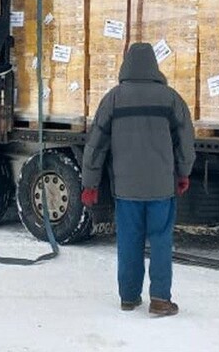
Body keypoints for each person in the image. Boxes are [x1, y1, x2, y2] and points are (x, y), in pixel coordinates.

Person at [81, 42, 195, 317]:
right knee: (160, 242)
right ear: (154, 66)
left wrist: (90, 183)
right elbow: (186, 141)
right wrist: (183, 173)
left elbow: (95, 145)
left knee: (129, 241)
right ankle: (159, 300)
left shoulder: (113, 99)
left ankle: (129, 297)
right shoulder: (170, 98)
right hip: (161, 189)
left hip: (126, 189)